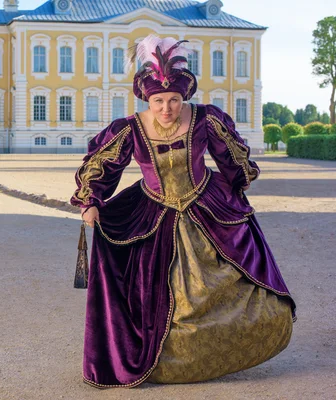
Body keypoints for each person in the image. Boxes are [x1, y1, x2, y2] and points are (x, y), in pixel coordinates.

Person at [70, 35, 296, 389]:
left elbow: (231, 157)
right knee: (157, 292)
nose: (166, 109)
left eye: (173, 100)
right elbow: (103, 166)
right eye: (159, 101)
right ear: (148, 99)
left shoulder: (205, 119)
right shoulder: (129, 128)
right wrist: (92, 201)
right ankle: (166, 361)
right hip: (152, 211)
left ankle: (235, 343)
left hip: (206, 205)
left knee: (225, 280)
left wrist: (238, 179)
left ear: (183, 97)